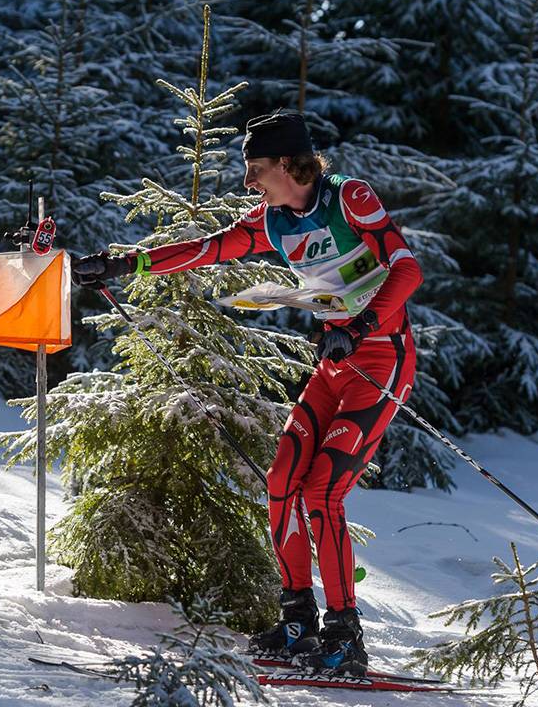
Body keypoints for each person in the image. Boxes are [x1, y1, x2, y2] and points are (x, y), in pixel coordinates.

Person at [72, 112, 422, 675]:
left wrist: (360, 327)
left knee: (324, 493)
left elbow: (407, 271)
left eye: (255, 169)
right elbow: (208, 249)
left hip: (381, 360)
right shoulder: (274, 220)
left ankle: (345, 633)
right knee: (282, 479)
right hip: (334, 365)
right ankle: (296, 621)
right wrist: (124, 262)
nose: (248, 181)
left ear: (288, 163)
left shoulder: (349, 199)